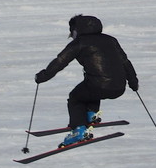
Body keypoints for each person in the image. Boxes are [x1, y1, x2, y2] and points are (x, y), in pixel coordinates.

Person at [34, 14, 139, 146]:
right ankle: (91, 114)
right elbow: (125, 62)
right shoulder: (111, 40)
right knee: (90, 88)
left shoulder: (79, 42)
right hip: (119, 87)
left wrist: (42, 76)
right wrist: (133, 82)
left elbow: (60, 61)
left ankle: (78, 130)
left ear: (76, 30)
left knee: (75, 97)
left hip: (99, 85)